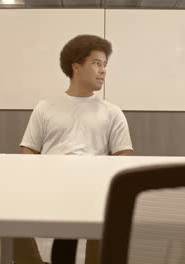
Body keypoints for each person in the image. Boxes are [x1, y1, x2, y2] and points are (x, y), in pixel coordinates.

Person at [16, 34, 134, 264]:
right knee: (10, 204)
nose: (103, 70)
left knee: (106, 210)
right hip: (50, 186)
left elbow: (125, 158)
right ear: (76, 67)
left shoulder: (112, 112)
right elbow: (28, 150)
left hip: (94, 190)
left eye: (105, 65)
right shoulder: (45, 107)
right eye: (97, 63)